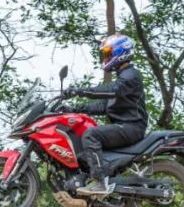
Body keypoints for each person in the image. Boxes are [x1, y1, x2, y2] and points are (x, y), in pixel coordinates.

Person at [61, 34, 148, 196]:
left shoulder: (130, 75)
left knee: (91, 135)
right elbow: (104, 106)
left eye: (108, 53)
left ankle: (100, 182)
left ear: (120, 52)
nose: (105, 57)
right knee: (84, 133)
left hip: (132, 127)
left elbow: (111, 90)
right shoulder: (123, 77)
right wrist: (74, 109)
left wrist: (79, 91)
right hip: (124, 126)